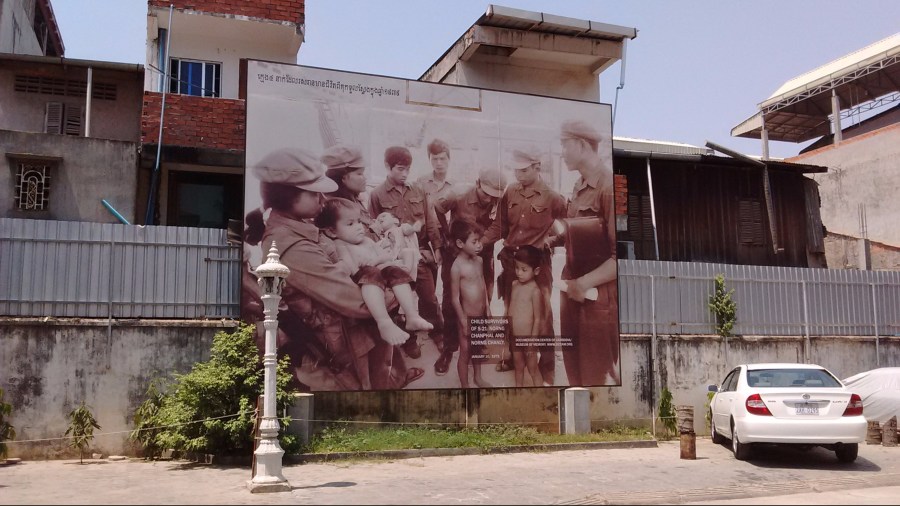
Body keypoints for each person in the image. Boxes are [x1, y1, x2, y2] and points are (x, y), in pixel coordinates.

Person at [244, 147, 423, 391]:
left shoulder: (299, 227)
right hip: (339, 345)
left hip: (353, 331)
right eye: (314, 194)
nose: (322, 199)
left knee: (383, 372)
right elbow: (356, 302)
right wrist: (399, 284)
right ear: (287, 196)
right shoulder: (291, 246)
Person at [482, 147, 566, 383]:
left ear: (537, 167)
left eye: (524, 170)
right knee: (512, 313)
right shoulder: (510, 191)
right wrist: (481, 242)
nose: (518, 175)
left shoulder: (552, 197)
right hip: (511, 261)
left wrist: (552, 239)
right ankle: (512, 357)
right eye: (516, 170)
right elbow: (499, 227)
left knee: (544, 315)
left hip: (537, 263)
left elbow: (572, 224)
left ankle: (546, 365)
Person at [314, 198, 433, 347]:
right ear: (332, 231)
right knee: (370, 272)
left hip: (380, 275)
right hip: (366, 282)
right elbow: (351, 269)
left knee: (395, 271)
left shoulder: (368, 241)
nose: (358, 227)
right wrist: (356, 265)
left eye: (359, 222)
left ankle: (411, 315)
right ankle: (383, 322)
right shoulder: (341, 245)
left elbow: (386, 256)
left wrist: (376, 261)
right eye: (350, 224)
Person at [555, 119, 620, 386]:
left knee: (592, 377)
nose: (562, 152)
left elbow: (620, 258)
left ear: (581, 145)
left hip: (595, 297)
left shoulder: (609, 187)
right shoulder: (580, 184)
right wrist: (554, 239)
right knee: (574, 375)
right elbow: (584, 234)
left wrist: (582, 284)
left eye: (564, 145)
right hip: (572, 290)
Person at [369, 145, 444, 360]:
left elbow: (430, 221)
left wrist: (436, 248)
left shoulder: (418, 190)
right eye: (400, 169)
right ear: (387, 166)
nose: (404, 174)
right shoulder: (376, 195)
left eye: (407, 169)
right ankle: (409, 340)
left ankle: (437, 332)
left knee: (429, 298)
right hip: (395, 261)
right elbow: (374, 230)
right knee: (402, 303)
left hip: (419, 255)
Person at [432, 167, 507, 376]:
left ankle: (477, 343)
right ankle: (449, 347)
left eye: (495, 197)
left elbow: (500, 225)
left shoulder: (499, 201)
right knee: (450, 301)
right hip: (456, 253)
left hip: (482, 253)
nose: (490, 200)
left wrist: (481, 243)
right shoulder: (458, 193)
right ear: (477, 183)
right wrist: (447, 236)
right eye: (486, 194)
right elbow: (437, 208)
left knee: (483, 298)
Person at [448, 219, 491, 389]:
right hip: (466, 318)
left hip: (480, 315)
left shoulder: (479, 261)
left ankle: (478, 378)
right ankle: (465, 385)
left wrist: (487, 306)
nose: (479, 245)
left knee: (478, 348)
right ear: (460, 243)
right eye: (474, 242)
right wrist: (463, 321)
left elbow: (482, 284)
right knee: (465, 353)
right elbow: (454, 298)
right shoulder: (457, 267)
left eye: (479, 240)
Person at [507, 245, 552, 387]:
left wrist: (533, 343)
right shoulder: (515, 285)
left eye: (524, 269)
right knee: (518, 368)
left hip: (528, 340)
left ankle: (539, 395)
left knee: (533, 369)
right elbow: (511, 308)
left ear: (536, 271)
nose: (519, 273)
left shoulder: (535, 292)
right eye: (517, 268)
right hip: (514, 337)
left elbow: (538, 319)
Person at [321, 144, 376, 238]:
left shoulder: (354, 198)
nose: (364, 178)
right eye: (360, 174)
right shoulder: (335, 207)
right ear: (343, 178)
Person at [371, 210, 422, 279]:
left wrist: (413, 228)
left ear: (395, 221)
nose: (380, 218)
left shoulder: (400, 228)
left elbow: (407, 230)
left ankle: (407, 269)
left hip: (401, 254)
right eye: (378, 220)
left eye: (383, 216)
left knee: (408, 251)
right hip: (392, 258)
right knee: (381, 260)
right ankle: (385, 267)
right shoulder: (382, 238)